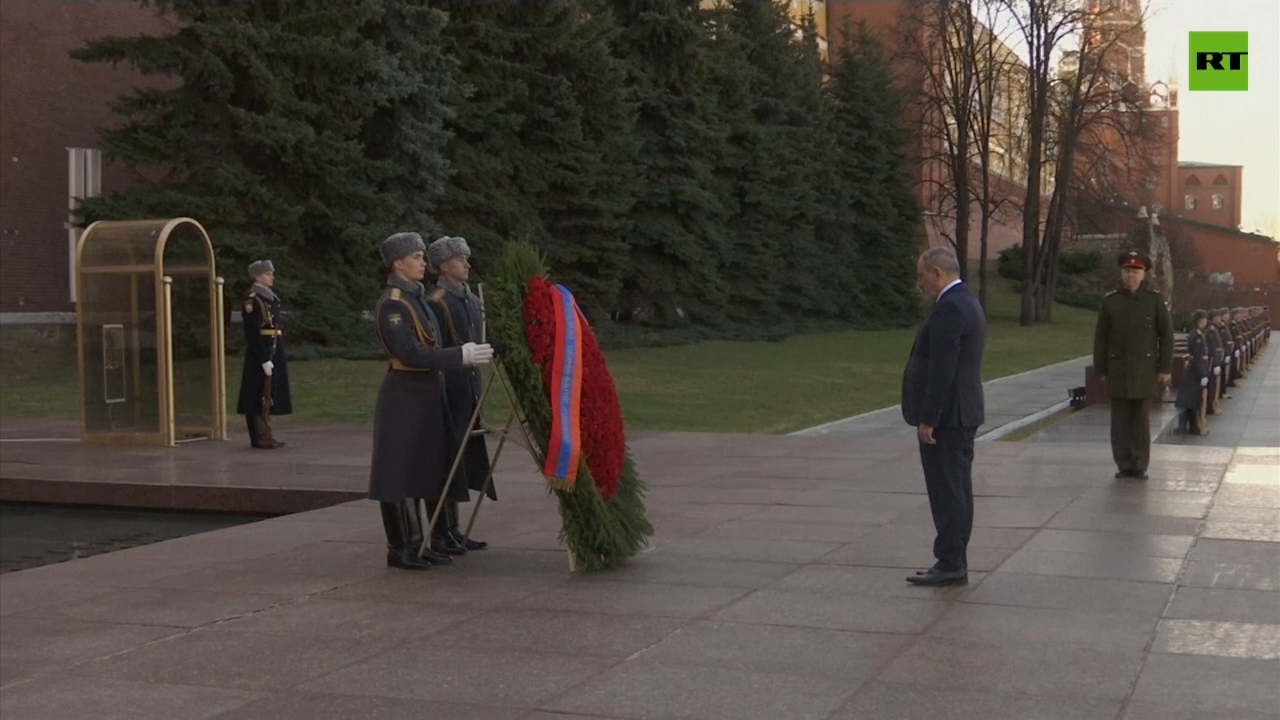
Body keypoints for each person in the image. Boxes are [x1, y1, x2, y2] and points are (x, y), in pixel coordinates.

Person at [368, 232, 495, 571]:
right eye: (417, 257)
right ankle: (401, 547)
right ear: (398, 263)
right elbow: (410, 352)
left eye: (423, 256)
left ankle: (423, 541)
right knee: (397, 472)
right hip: (405, 394)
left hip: (424, 393)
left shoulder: (416, 297)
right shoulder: (394, 303)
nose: (423, 262)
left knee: (423, 466)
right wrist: (460, 356)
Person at [901, 247, 986, 587]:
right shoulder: (966, 301)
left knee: (948, 489)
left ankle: (951, 561)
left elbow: (943, 369)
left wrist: (929, 418)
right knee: (956, 488)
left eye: (922, 276)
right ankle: (952, 558)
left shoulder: (951, 308)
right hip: (961, 412)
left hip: (949, 416)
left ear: (937, 273)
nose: (920, 283)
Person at [426, 235, 494, 554]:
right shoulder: (437, 301)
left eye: (466, 258)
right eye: (459, 260)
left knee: (463, 459)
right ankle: (441, 530)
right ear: (443, 265)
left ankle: (453, 528)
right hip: (448, 389)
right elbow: (436, 351)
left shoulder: (472, 299)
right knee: (446, 460)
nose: (466, 264)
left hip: (469, 388)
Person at [1093, 250, 1173, 480]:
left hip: (1144, 370)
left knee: (1140, 421)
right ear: (1121, 273)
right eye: (1127, 271)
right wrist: (1102, 370)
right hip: (1118, 370)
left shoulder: (1154, 301)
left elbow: (1166, 335)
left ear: (1144, 274)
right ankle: (1123, 464)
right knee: (1119, 421)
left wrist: (1164, 368)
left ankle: (1139, 465)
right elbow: (1101, 338)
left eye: (1136, 271)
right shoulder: (1111, 302)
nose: (1131, 275)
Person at [236, 259, 291, 449]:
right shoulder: (253, 299)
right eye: (268, 274)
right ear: (257, 276)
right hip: (260, 350)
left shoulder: (269, 297)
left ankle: (265, 433)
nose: (271, 277)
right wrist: (263, 358)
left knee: (268, 393)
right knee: (255, 392)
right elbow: (252, 332)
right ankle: (257, 436)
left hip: (273, 347)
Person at [1175, 310, 1210, 436]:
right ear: (1199, 320)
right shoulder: (1197, 335)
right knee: (1189, 399)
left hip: (1195, 371)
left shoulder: (1198, 333)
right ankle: (1184, 426)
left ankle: (1192, 426)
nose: (1205, 321)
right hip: (1194, 372)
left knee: (1192, 400)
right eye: (1203, 319)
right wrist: (1202, 374)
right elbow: (1198, 356)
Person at [1205, 308, 1225, 416]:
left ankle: (1212, 404)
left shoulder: (1215, 328)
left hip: (1216, 359)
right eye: (1217, 317)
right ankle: (1209, 406)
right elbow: (1212, 348)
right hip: (1212, 362)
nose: (1219, 319)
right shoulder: (1211, 330)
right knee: (1211, 385)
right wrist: (1215, 363)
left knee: (1214, 385)